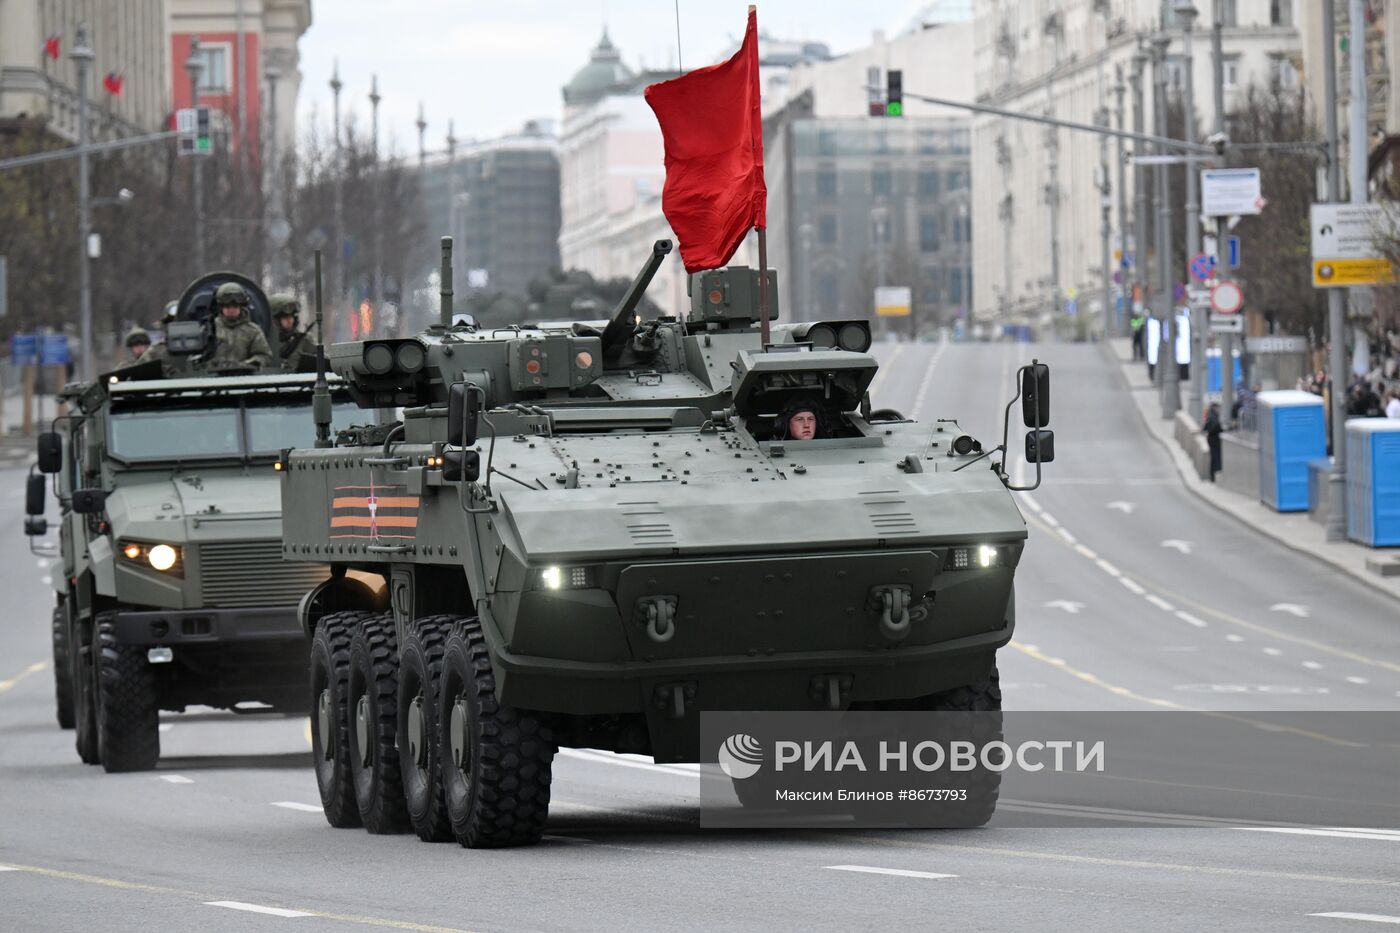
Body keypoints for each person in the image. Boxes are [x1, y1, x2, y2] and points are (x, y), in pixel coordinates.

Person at [208, 282, 272, 369]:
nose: (231, 309)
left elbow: (264, 356)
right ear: (221, 306)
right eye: (227, 306)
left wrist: (247, 364)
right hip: (213, 378)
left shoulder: (253, 331)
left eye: (235, 306)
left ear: (241, 306)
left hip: (245, 377)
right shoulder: (210, 329)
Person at [269, 294, 311, 370]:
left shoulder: (304, 340)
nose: (290, 321)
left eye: (291, 317)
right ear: (276, 320)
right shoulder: (265, 340)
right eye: (285, 317)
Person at [1202, 402, 1223, 482]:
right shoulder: (1213, 416)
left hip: (1212, 440)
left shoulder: (1211, 415)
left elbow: (1205, 427)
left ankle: (1213, 476)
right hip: (1214, 440)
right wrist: (1221, 430)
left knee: (1214, 458)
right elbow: (1214, 427)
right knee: (1215, 458)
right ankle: (1213, 477)